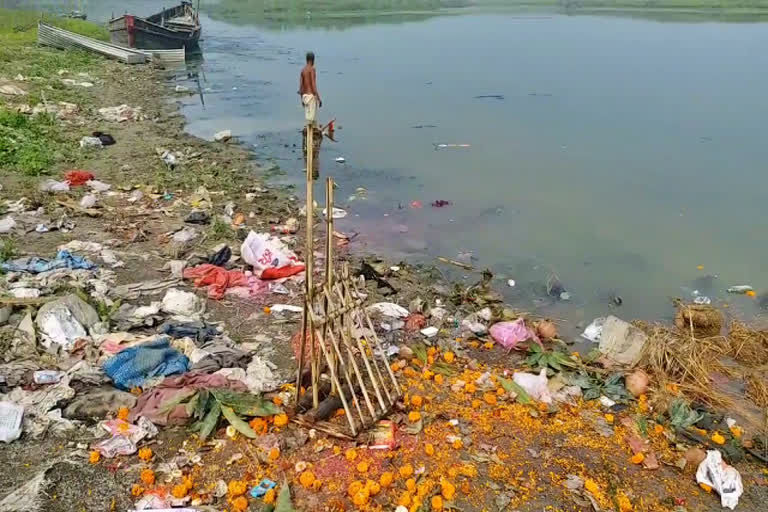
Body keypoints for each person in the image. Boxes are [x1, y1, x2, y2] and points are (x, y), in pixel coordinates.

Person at [299, 51, 321, 124]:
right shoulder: (312, 69)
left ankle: (310, 134)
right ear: (312, 60)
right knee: (311, 121)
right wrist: (319, 98)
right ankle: (310, 134)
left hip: (305, 97)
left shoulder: (302, 70)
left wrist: (302, 100)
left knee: (309, 120)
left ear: (306, 59)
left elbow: (301, 88)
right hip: (311, 97)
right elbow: (313, 85)